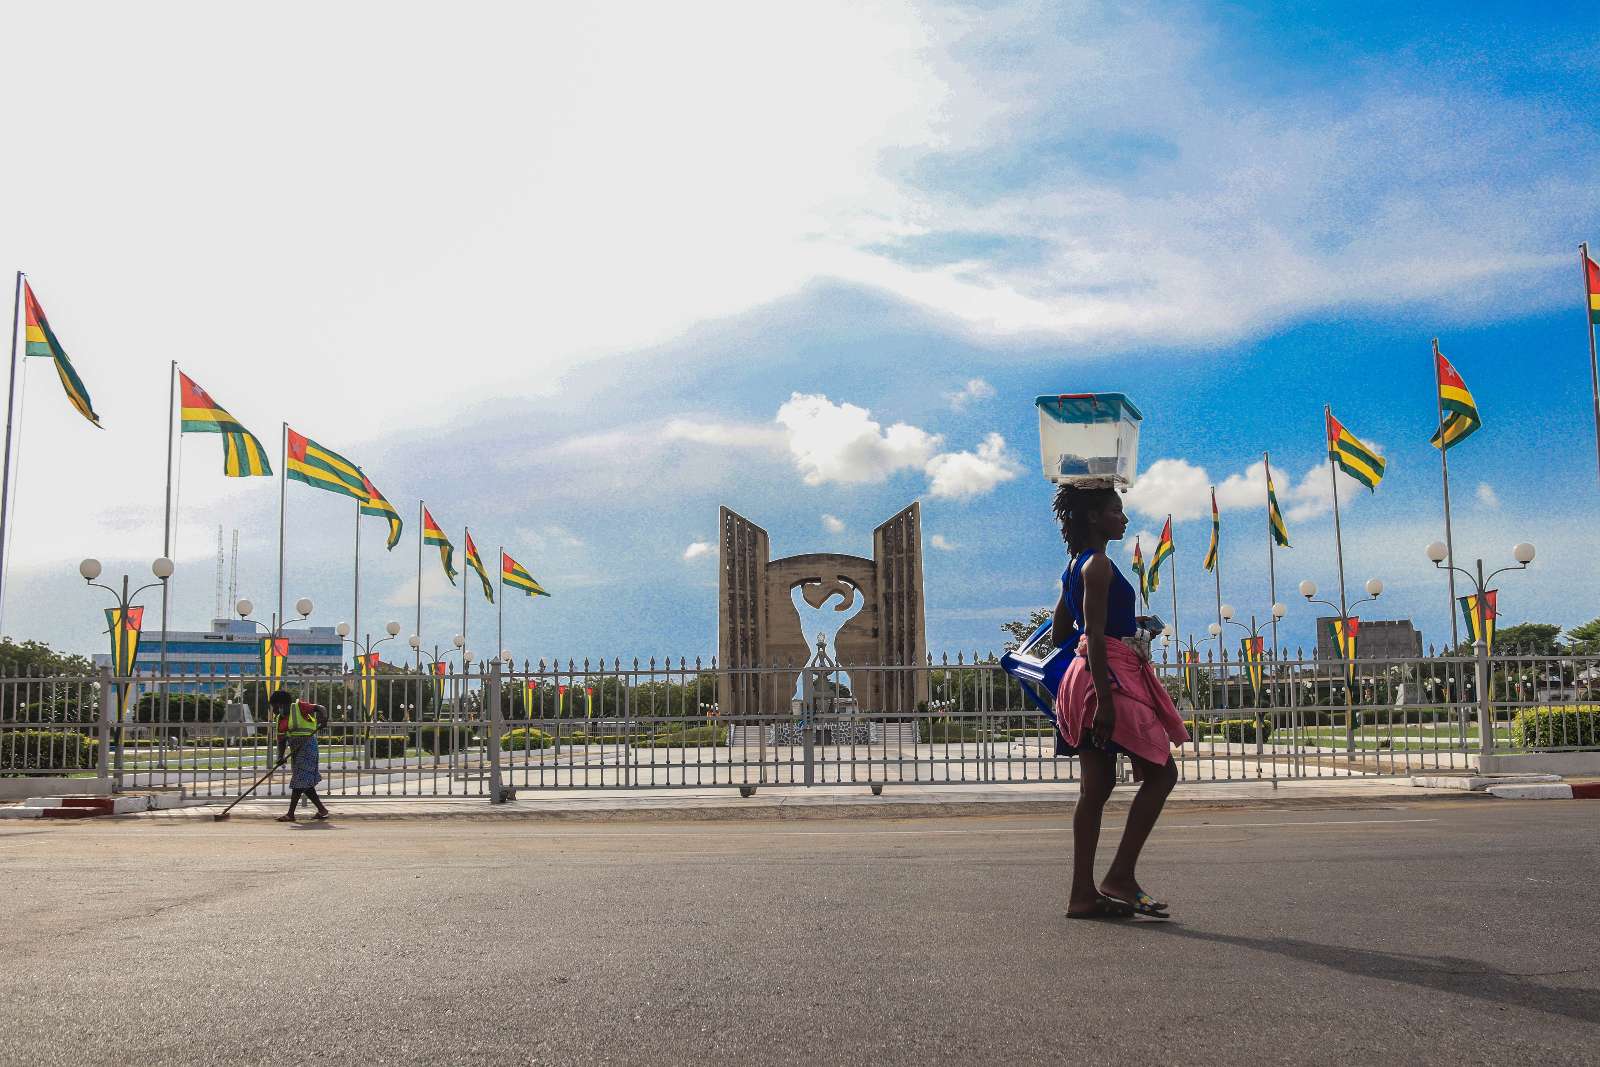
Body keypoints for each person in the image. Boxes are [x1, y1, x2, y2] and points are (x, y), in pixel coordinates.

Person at [1051, 484, 1188, 919]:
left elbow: (1060, 635)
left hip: (1083, 678)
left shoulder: (1074, 567)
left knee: (1096, 789)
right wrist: (1107, 696)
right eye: (1116, 510)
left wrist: (1116, 635)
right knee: (1161, 773)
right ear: (1094, 517)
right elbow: (1091, 633)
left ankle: (1082, 894)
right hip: (1108, 681)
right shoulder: (1099, 566)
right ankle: (1120, 876)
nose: (1123, 519)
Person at [271, 690, 330, 822]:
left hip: (308, 747)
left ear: (281, 704)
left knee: (300, 778)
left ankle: (290, 814)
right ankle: (322, 810)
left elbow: (320, 708)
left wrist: (323, 719)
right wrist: (280, 757)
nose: (273, 710)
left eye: (274, 706)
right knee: (304, 781)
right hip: (295, 749)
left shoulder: (299, 707)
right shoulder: (280, 719)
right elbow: (281, 741)